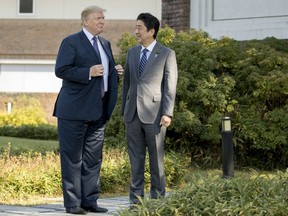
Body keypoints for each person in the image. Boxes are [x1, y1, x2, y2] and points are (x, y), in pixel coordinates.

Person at [53, 5, 123, 215]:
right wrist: (88, 72)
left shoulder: (105, 44)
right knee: (73, 158)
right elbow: (61, 70)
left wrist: (114, 70)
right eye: (98, 18)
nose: (102, 22)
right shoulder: (71, 42)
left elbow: (104, 72)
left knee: (93, 159)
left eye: (103, 18)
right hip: (73, 111)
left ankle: (90, 201)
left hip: (98, 111)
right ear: (85, 21)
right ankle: (73, 204)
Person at [121, 13, 178, 206]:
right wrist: (124, 111)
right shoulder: (132, 53)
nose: (136, 31)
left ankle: (157, 201)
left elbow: (170, 86)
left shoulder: (167, 53)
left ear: (151, 31)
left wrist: (167, 112)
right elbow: (127, 84)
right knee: (135, 161)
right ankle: (135, 202)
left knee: (156, 160)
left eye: (139, 28)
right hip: (132, 115)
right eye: (135, 27)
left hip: (156, 116)